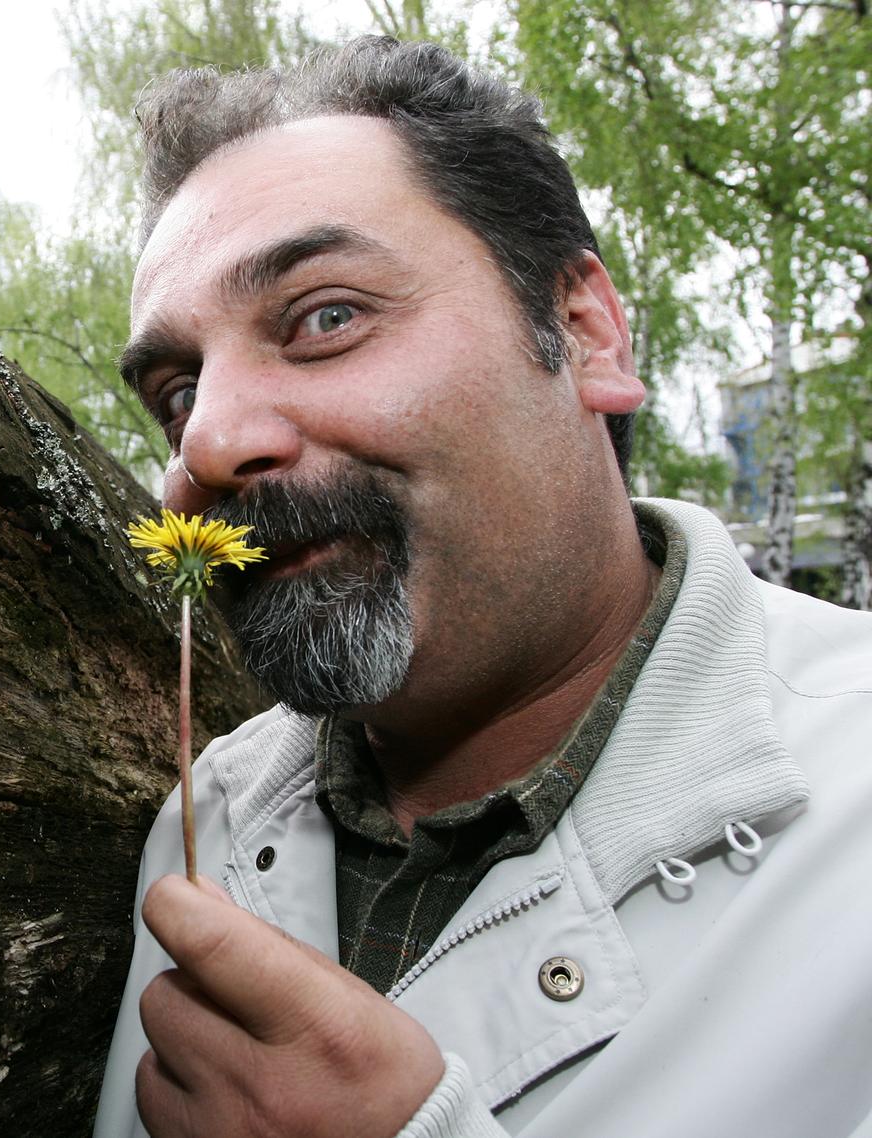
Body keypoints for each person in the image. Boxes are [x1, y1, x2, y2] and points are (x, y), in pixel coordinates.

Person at [93, 35, 872, 1138]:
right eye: (177, 391)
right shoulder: (203, 815)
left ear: (583, 332)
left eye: (324, 317)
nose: (206, 444)